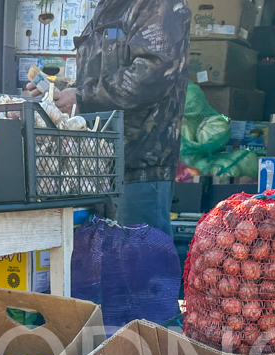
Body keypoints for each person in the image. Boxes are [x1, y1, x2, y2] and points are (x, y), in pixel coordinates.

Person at [27, 0, 191, 238]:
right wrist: (59, 91)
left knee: (138, 263)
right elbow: (105, 71)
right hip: (98, 168)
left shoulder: (158, 4)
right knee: (104, 266)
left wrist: (81, 97)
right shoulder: (109, 6)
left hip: (138, 167)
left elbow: (153, 74)